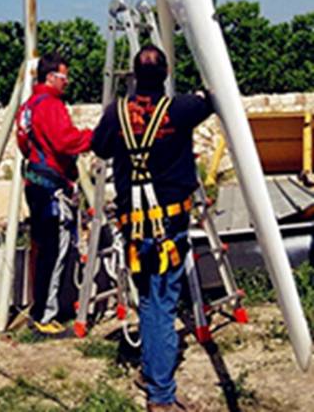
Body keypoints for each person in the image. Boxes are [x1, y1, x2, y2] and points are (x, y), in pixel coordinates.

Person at [91, 45, 214, 412]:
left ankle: (150, 371)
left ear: (132, 76)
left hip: (136, 230)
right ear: (164, 76)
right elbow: (214, 95)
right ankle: (161, 395)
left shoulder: (117, 115)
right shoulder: (180, 110)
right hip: (168, 228)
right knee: (162, 303)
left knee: (149, 298)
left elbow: (100, 147)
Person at [16, 51, 93, 336]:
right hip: (51, 190)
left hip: (36, 184)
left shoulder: (29, 106)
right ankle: (44, 317)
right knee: (54, 251)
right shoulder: (50, 105)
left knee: (43, 249)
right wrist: (92, 138)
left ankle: (41, 310)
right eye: (64, 76)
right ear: (51, 77)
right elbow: (65, 140)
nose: (67, 81)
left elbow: (23, 143)